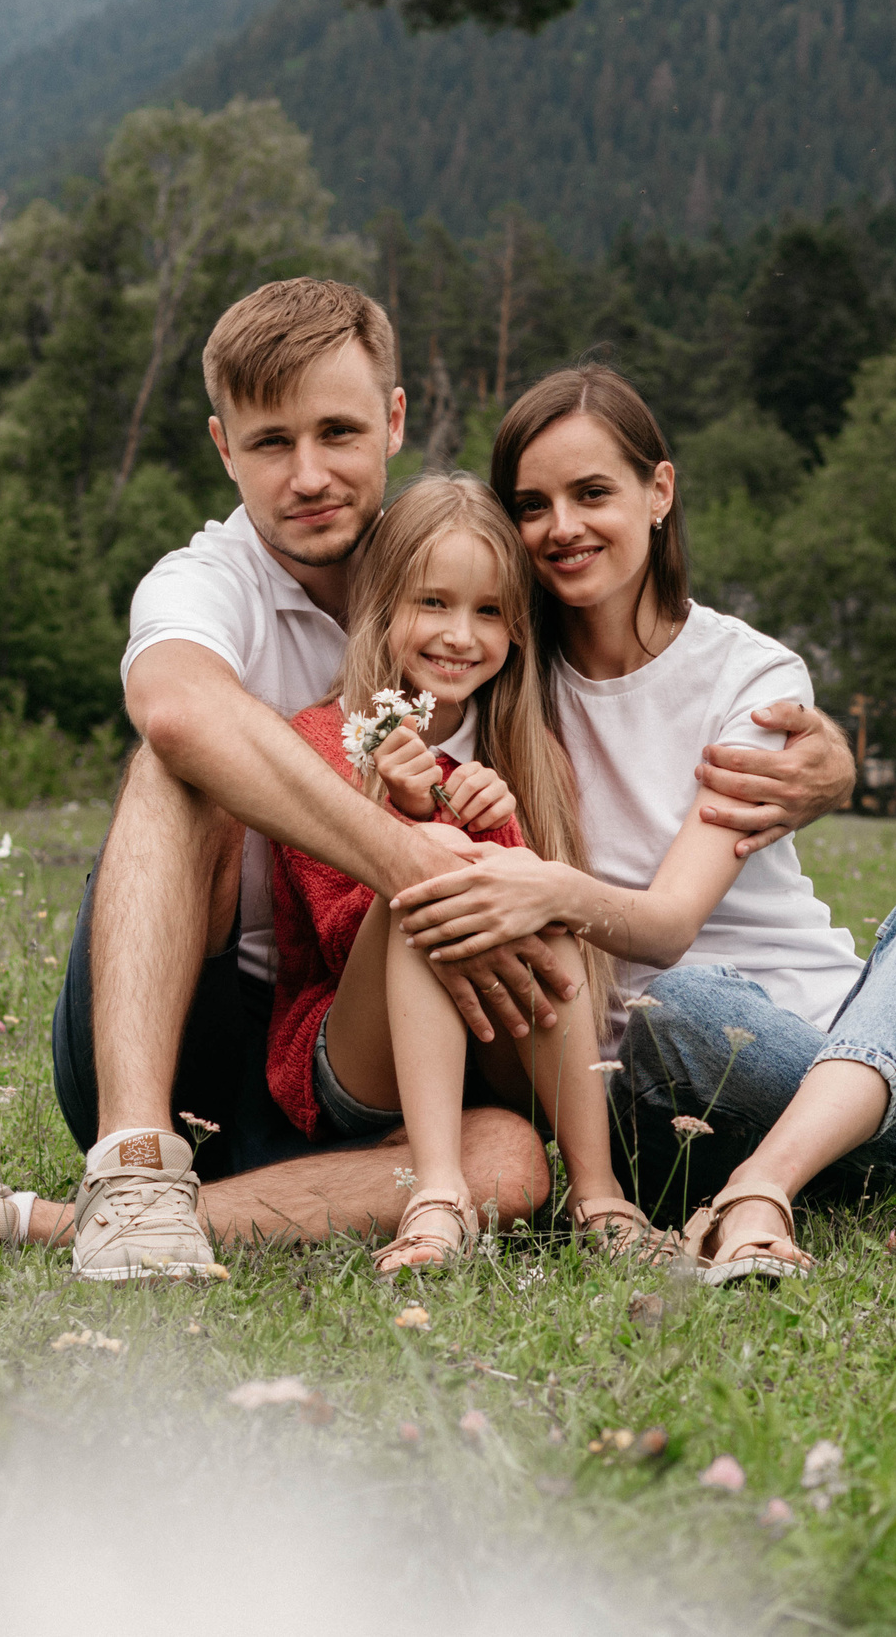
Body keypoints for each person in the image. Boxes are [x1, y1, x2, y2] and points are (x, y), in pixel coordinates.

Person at [0, 280, 853, 1279]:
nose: (309, 474)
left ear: (393, 422)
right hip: (191, 1031)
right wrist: (412, 859)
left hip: (393, 1047)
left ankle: (23, 1223)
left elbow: (619, 631)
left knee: (506, 1168)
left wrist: (818, 754)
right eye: (270, 443)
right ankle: (130, 1160)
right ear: (223, 449)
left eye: (338, 434)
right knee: (181, 755)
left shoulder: (453, 567)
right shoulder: (211, 582)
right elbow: (174, 705)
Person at [385, 365, 896, 1282]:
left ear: (659, 492)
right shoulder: (503, 672)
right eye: (533, 505)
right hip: (667, 1098)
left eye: (592, 493)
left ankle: (765, 1183)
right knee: (685, 1004)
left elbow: (667, 918)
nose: (562, 527)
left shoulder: (750, 672)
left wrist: (552, 888)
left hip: (862, 1041)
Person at [266, 473, 638, 1273]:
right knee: (428, 885)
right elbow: (337, 934)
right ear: (385, 605)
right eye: (433, 602)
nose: (460, 635)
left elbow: (542, 931)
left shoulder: (532, 759)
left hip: (489, 1058)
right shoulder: (324, 740)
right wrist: (412, 823)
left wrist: (497, 829)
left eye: (489, 611)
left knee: (537, 896)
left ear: (518, 629)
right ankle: (437, 1197)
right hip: (355, 1059)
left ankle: (599, 1194)